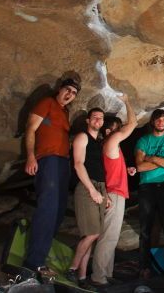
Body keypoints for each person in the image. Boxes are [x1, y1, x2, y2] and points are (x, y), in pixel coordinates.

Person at [23, 78, 80, 278]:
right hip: (47, 159)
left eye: (74, 93)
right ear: (59, 89)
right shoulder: (47, 103)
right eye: (68, 89)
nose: (70, 94)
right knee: (48, 207)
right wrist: (31, 156)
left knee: (58, 211)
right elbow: (31, 128)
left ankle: (41, 254)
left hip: (62, 163)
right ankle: (34, 262)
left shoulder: (65, 112)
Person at [90, 94, 138, 286]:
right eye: (118, 128)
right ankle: (98, 277)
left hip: (113, 192)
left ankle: (106, 274)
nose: (121, 131)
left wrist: (126, 170)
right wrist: (127, 100)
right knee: (108, 237)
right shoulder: (111, 141)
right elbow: (133, 123)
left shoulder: (108, 146)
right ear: (109, 130)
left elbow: (110, 168)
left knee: (109, 236)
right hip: (113, 194)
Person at [135, 109, 164, 280]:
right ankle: (144, 267)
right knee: (145, 229)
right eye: (158, 119)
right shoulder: (143, 140)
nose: (161, 122)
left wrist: (153, 158)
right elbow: (139, 167)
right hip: (146, 187)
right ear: (152, 122)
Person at [65, 108, 108, 288]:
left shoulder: (98, 142)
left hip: (99, 187)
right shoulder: (82, 137)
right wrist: (92, 190)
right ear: (88, 121)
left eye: (101, 118)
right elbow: (78, 164)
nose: (98, 120)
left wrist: (104, 193)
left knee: (90, 235)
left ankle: (82, 278)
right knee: (93, 233)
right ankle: (72, 269)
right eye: (95, 117)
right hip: (87, 187)